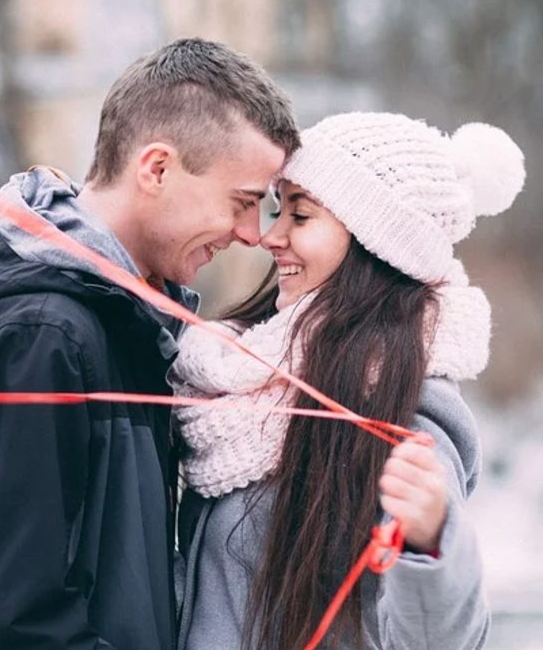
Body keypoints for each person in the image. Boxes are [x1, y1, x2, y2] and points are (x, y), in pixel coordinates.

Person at [0, 38, 299, 650]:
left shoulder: (118, 322)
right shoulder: (41, 334)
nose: (250, 234)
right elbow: (17, 626)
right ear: (156, 169)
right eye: (242, 203)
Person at [172, 113, 525, 649]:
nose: (271, 236)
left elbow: (443, 643)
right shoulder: (235, 385)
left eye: (301, 215)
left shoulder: (407, 408)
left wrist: (429, 543)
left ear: (374, 242)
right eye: (276, 208)